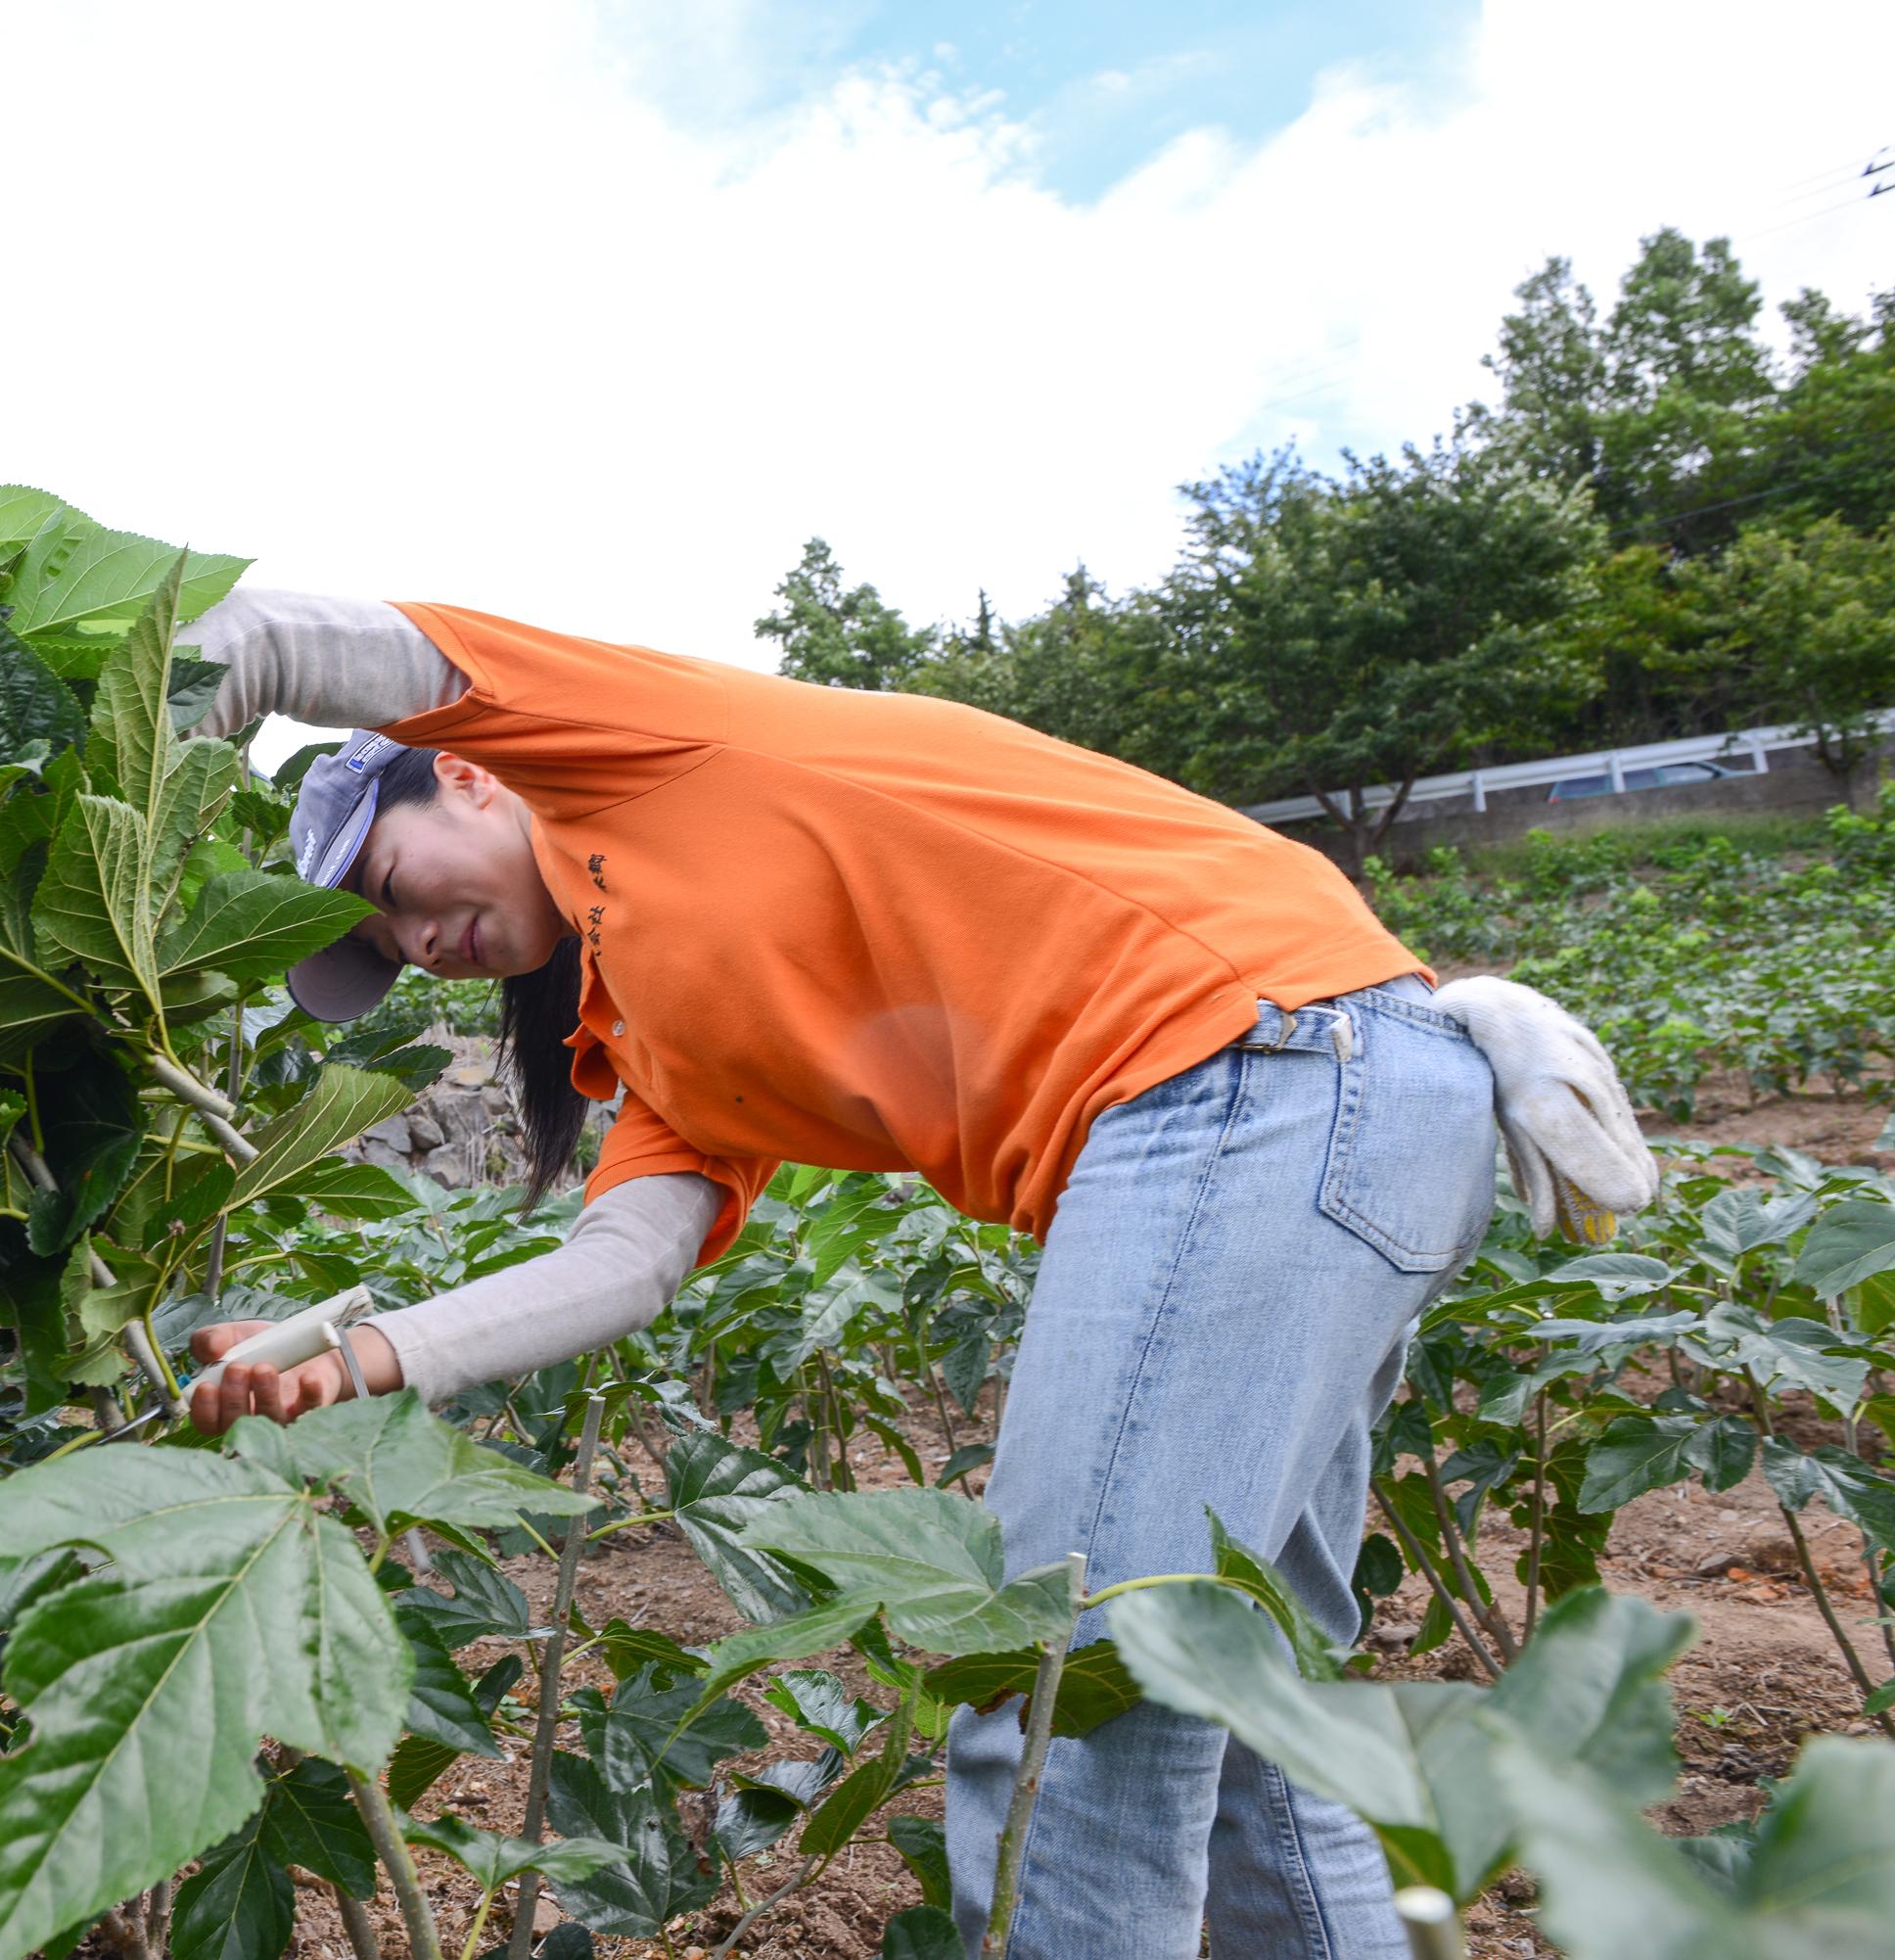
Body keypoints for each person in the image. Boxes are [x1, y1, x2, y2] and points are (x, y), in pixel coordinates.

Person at [167, 588, 1658, 1959]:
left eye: (393, 883)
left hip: (1249, 1071)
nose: (419, 939)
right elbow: (628, 1258)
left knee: (1063, 1699)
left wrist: (134, 743)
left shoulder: (611, 753)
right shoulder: (661, 1031)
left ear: (467, 772)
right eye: (385, 945)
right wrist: (353, 1359)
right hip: (1311, 1090)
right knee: (1233, 1710)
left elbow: (292, 644)